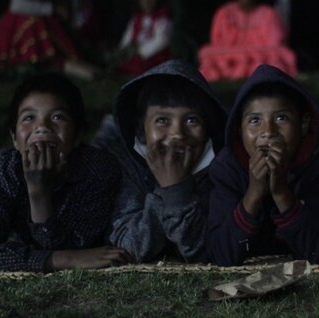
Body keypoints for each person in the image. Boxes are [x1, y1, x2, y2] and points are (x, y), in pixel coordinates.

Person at [0, 74, 130, 272]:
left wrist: (40, 192)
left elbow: (75, 244)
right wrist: (37, 189)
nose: (42, 127)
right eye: (29, 118)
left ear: (77, 134)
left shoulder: (98, 170)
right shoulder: (3, 172)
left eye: (57, 117)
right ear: (14, 138)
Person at [93, 60, 227, 263]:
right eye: (163, 120)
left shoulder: (220, 169)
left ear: (208, 129)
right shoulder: (125, 167)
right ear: (141, 131)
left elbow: (203, 252)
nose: (177, 134)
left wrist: (177, 191)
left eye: (191, 120)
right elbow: (127, 248)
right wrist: (167, 192)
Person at [206, 64, 319, 266]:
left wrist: (281, 192)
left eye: (281, 118)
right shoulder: (227, 168)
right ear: (239, 130)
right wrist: (253, 194)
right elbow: (221, 256)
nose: (268, 131)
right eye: (254, 120)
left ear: (303, 124)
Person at [198, 0, 298, 82]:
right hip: (228, 59)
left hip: (262, 59)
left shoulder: (269, 14)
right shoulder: (224, 13)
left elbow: (276, 45)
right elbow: (217, 42)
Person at [116, 0, 173, 75]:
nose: (147, 1)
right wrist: (123, 51)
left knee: (140, 67)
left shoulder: (162, 18)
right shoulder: (136, 18)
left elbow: (162, 41)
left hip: (154, 56)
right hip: (135, 54)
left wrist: (142, 52)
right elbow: (128, 36)